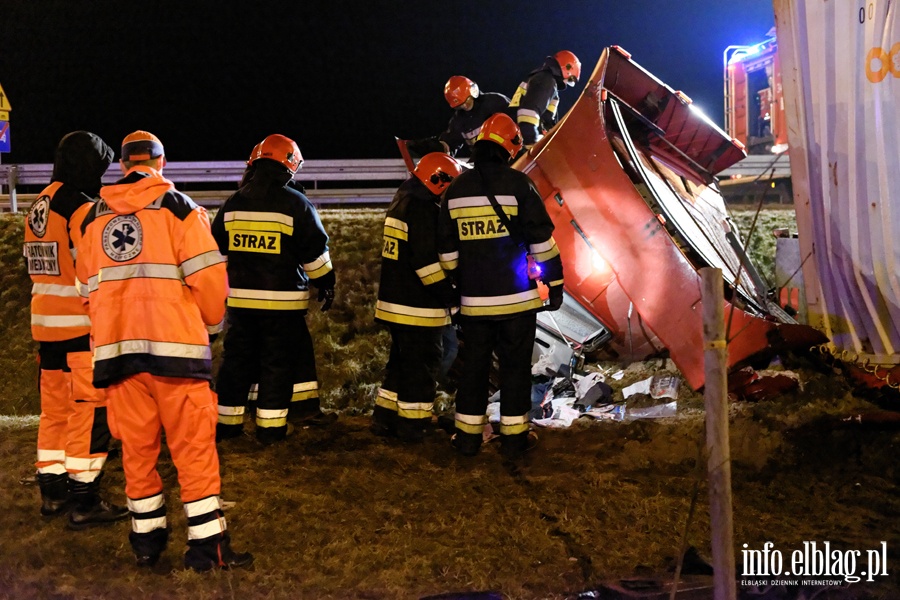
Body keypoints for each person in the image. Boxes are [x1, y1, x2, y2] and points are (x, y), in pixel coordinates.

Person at [76, 130, 252, 571]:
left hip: (118, 356)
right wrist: (210, 328)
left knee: (137, 451)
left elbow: (85, 291)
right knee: (192, 449)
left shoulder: (93, 219)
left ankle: (147, 543)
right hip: (177, 354)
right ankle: (207, 547)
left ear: (122, 165)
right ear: (162, 163)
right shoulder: (180, 210)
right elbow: (211, 281)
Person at [437, 113, 565, 459]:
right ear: (509, 147)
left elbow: (446, 255)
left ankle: (466, 439)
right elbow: (542, 243)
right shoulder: (520, 185)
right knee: (515, 370)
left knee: (474, 371)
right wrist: (555, 284)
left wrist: (460, 282)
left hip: (474, 305)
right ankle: (514, 440)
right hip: (517, 303)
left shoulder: (455, 190)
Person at [23, 131, 129, 529]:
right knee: (89, 411)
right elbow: (95, 270)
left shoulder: (40, 203)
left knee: (54, 412)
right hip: (80, 327)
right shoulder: (81, 209)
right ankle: (85, 499)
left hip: (45, 325)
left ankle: (52, 493)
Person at [212, 134, 336, 446]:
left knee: (236, 362)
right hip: (282, 306)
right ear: (290, 164)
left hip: (239, 305)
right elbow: (316, 257)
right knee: (276, 364)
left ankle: (226, 425)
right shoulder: (296, 204)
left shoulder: (233, 203)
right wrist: (327, 283)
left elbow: (216, 255)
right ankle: (270, 429)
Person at [372, 152, 463, 442]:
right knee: (423, 366)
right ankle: (413, 426)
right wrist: (450, 296)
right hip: (418, 306)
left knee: (400, 364)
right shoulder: (424, 210)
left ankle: (384, 418)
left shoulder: (402, 201)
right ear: (438, 181)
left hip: (394, 302)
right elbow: (427, 265)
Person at [406, 76, 513, 158]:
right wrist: (432, 146)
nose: (465, 106)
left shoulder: (496, 102)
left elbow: (519, 122)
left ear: (473, 92)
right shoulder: (459, 121)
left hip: (512, 156)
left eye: (467, 101)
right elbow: (449, 144)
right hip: (486, 166)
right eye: (460, 105)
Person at [509, 50, 582, 146]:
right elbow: (528, 114)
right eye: (570, 79)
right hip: (522, 143)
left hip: (516, 138)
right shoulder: (546, 81)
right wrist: (532, 142)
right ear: (567, 68)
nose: (566, 83)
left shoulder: (540, 78)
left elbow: (545, 120)